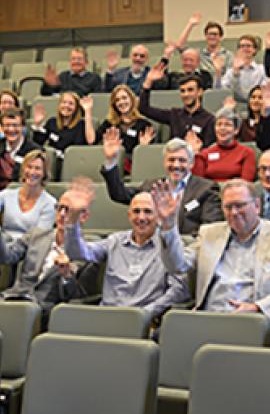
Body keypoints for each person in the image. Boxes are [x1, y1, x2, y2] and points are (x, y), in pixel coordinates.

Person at [153, 178, 270, 345]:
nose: (233, 212)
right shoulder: (209, 233)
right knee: (163, 335)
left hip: (254, 320)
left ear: (257, 205)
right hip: (209, 317)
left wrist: (257, 307)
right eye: (228, 207)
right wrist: (168, 226)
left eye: (240, 205)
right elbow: (178, 265)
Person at [64, 190, 189, 319]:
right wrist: (73, 221)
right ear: (129, 215)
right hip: (106, 316)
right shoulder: (115, 241)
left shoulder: (169, 247)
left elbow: (179, 291)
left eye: (148, 212)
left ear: (158, 216)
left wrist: (146, 313)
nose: (141, 218)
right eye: (136, 211)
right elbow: (77, 253)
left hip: (145, 319)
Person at [0, 181, 98, 327]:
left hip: (45, 310)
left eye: (69, 210)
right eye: (60, 208)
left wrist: (66, 275)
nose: (63, 215)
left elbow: (77, 296)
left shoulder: (88, 251)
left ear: (83, 216)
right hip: (12, 298)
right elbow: (7, 257)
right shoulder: (36, 235)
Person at [101, 133, 223, 236]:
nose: (176, 165)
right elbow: (119, 194)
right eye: (171, 160)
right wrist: (111, 161)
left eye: (182, 160)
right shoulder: (151, 186)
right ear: (164, 162)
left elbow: (210, 229)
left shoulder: (206, 189)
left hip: (187, 248)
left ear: (191, 164)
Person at [139, 71, 216, 147]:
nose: (186, 94)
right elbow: (144, 109)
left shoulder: (209, 119)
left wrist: (196, 149)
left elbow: (209, 149)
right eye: (182, 91)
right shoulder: (174, 114)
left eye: (190, 90)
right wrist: (148, 82)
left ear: (200, 92)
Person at [31, 92, 96, 179]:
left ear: (76, 108)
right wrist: (38, 125)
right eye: (64, 102)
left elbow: (91, 141)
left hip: (74, 166)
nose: (66, 106)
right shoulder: (52, 122)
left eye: (71, 104)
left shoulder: (81, 125)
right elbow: (37, 144)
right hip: (52, 166)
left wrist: (87, 111)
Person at [96, 84, 155, 174]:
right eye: (117, 100)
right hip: (113, 167)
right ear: (114, 104)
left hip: (134, 168)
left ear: (131, 99)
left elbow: (150, 157)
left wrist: (142, 148)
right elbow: (92, 141)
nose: (121, 102)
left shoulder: (144, 124)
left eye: (124, 98)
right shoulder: (109, 123)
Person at [0, 150, 56, 241]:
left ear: (44, 174)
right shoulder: (6, 195)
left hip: (31, 248)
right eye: (29, 167)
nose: (32, 172)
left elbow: (39, 238)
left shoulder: (49, 203)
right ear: (23, 169)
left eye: (37, 168)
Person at [191, 107, 256, 182]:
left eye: (227, 125)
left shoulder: (247, 153)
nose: (222, 128)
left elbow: (246, 184)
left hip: (236, 192)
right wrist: (195, 154)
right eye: (219, 124)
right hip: (211, 192)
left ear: (236, 130)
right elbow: (198, 183)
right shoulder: (204, 154)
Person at [170, 13, 234, 77]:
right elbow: (180, 46)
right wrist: (190, 24)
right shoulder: (198, 54)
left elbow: (230, 77)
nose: (212, 37)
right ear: (205, 36)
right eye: (209, 34)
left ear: (221, 37)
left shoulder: (228, 55)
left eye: (214, 34)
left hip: (220, 85)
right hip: (202, 85)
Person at [214, 35, 268, 102]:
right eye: (242, 46)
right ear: (238, 50)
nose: (245, 49)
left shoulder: (262, 70)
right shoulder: (230, 72)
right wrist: (218, 72)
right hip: (235, 108)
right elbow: (218, 92)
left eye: (248, 46)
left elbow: (259, 94)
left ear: (254, 50)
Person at [0, 108, 41, 190]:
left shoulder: (35, 151)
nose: (11, 129)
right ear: (1, 127)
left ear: (23, 127)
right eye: (7, 125)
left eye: (15, 125)